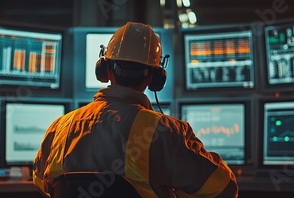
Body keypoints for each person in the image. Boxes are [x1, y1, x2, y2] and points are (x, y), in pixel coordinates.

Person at [33, 22, 238, 198]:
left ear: (105, 70)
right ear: (155, 78)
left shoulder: (59, 127)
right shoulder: (165, 132)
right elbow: (224, 188)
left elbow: (42, 181)